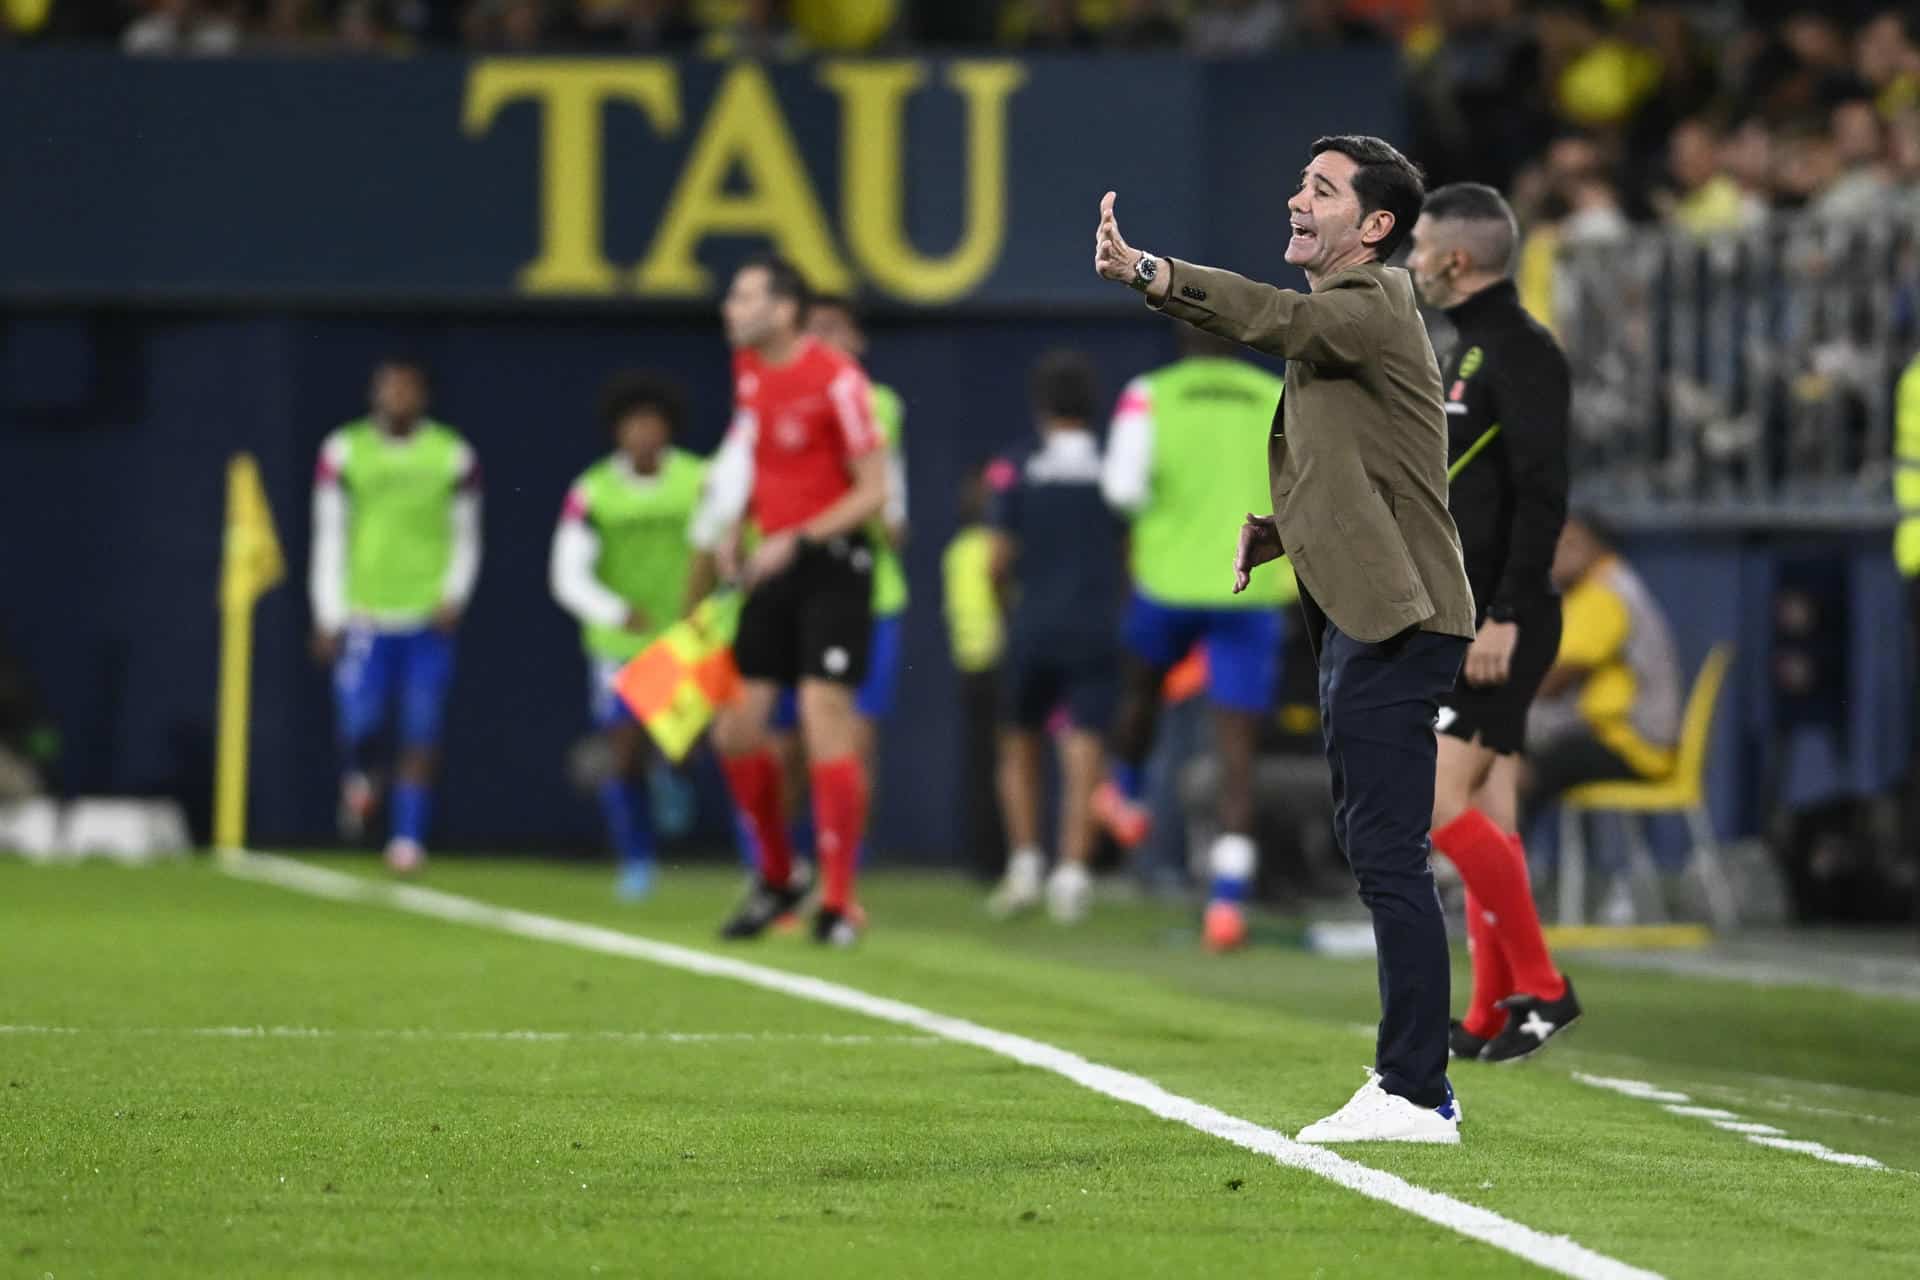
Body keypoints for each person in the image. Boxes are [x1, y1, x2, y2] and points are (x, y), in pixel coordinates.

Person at [1094, 134, 1477, 1143]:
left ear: (1376, 226)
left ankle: (1414, 1090)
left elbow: (1275, 317)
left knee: (1390, 855)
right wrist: (1283, 530)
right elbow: (1372, 466)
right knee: (1379, 849)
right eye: (1300, 180)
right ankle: (1409, 1080)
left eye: (1322, 189)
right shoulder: (1356, 322)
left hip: (1399, 616)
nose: (1297, 198)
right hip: (1371, 606)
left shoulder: (1367, 303)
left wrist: (1154, 272)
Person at [1405, 182, 1582, 1065]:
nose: (1410, 260)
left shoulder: (1522, 352)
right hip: (1470, 615)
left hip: (1501, 622)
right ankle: (1487, 1010)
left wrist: (1504, 615)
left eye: (1420, 245)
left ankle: (1546, 988)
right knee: (1489, 810)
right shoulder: (1472, 350)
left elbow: (1544, 497)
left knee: (1437, 807)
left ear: (1457, 259)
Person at [689, 255, 889, 947]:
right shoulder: (748, 371)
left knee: (821, 714)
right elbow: (760, 458)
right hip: (770, 563)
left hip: (834, 565)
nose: (729, 308)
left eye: (742, 296)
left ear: (783, 310)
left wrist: (798, 539)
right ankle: (779, 876)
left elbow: (874, 493)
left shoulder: (838, 380)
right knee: (734, 729)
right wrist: (733, 530)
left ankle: (839, 903)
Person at [1092, 326, 1293, 951]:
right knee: (1237, 754)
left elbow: (1121, 491)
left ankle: (1125, 792)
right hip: (1252, 586)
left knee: (1141, 688)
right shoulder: (1276, 393)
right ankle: (1227, 905)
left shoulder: (1148, 395)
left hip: (1169, 581)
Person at [310, 358, 481, 874]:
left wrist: (455, 593)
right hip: (364, 613)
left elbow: (467, 535)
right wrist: (327, 612)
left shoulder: (452, 454)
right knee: (360, 725)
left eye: (408, 388)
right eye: (389, 388)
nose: (398, 397)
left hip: (426, 616)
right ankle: (360, 778)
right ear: (374, 393)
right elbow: (330, 534)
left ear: (423, 396)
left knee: (421, 730)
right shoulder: (343, 451)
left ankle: (407, 840)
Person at [763, 294, 910, 873]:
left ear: (858, 341)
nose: (823, 340)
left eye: (834, 328)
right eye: (813, 329)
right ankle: (780, 867)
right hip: (793, 590)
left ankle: (843, 875)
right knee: (788, 744)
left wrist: (872, 511)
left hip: (872, 596)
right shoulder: (773, 393)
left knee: (856, 741)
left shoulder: (878, 406)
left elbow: (890, 515)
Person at [548, 371, 707, 901]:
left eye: (652, 423)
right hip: (618, 645)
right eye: (632, 424)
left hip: (685, 639)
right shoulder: (593, 490)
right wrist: (614, 610)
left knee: (681, 750)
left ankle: (676, 775)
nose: (643, 433)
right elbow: (566, 573)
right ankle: (637, 861)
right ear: (617, 431)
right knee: (622, 753)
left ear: (669, 429)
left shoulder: (699, 480)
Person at [984, 351, 1126, 924]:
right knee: (1084, 750)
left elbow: (996, 561)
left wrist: (1008, 613)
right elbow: (1129, 553)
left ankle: (1023, 866)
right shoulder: (1113, 466)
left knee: (1019, 744)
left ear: (1040, 404)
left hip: (1033, 626)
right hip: (1095, 627)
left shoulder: (1016, 466)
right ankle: (1071, 874)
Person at [1521, 513, 1681, 824]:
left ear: (1599, 546)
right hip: (1622, 736)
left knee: (1508, 763)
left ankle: (1480, 861)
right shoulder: (1607, 585)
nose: (1556, 552)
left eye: (1571, 543)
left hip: (1634, 745)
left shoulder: (1605, 594)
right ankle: (1479, 857)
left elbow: (1552, 683)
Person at [943, 467, 1008, 881]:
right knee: (1000, 762)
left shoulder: (955, 550)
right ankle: (995, 858)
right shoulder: (991, 549)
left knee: (981, 762)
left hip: (969, 668)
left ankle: (984, 858)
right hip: (995, 664)